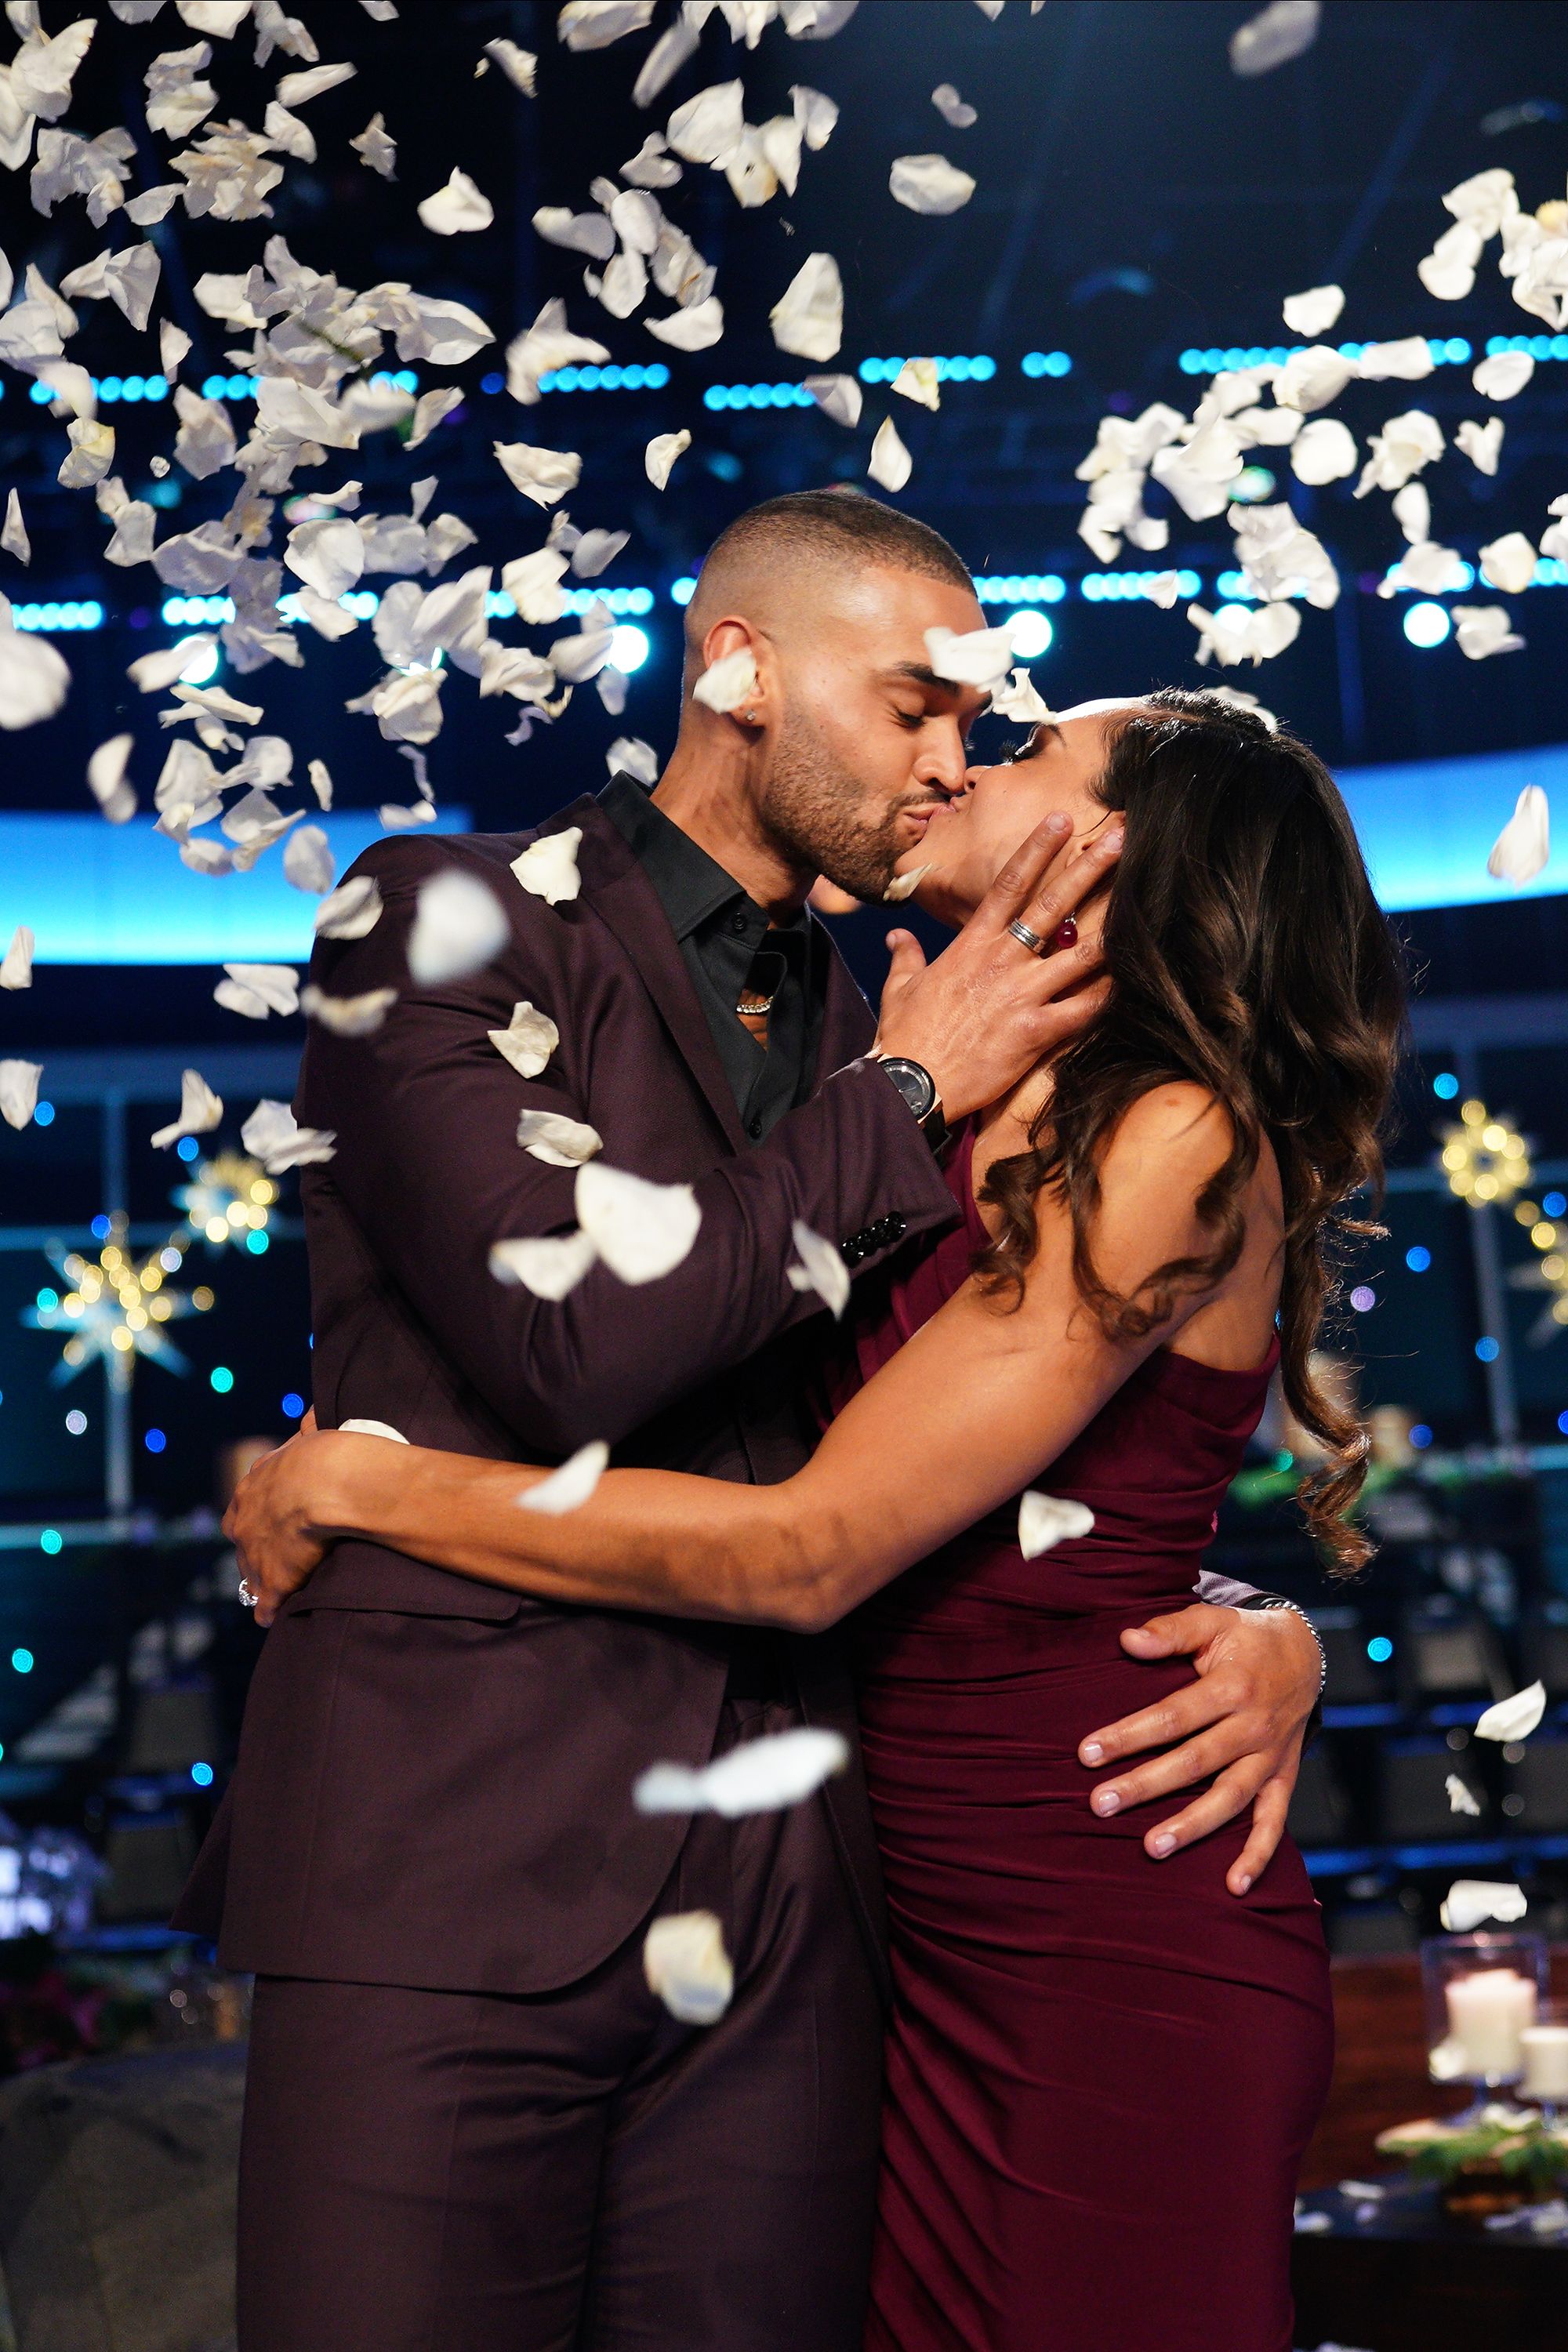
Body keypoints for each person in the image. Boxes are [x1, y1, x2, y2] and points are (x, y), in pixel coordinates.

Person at [187, 492, 1327, 2352]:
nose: (951, 764)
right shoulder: (439, 915)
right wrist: (899, 1081)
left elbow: (1064, 1435)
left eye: (987, 728)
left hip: (816, 1926)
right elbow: (571, 1345)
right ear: (735, 669)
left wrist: (1276, 1623)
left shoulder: (943, 1022)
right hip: (450, 1874)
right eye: (916, 711)